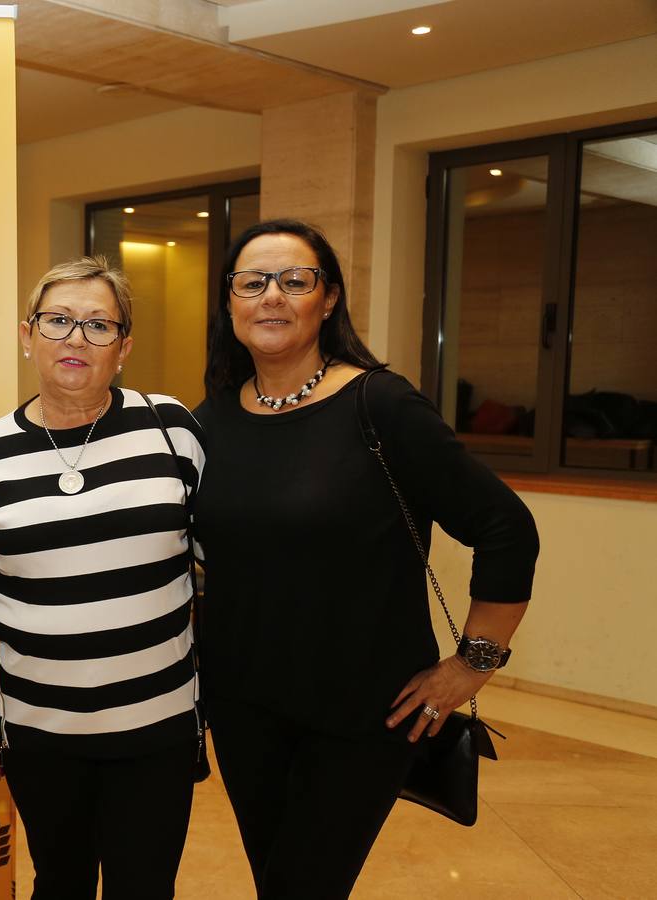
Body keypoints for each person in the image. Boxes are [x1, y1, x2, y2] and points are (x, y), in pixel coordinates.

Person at [193, 219, 539, 898]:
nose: (272, 296)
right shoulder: (208, 423)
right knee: (277, 880)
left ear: (328, 300)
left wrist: (472, 664)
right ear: (229, 303)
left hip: (363, 713)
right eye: (253, 282)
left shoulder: (379, 405)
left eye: (296, 281)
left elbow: (506, 526)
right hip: (243, 709)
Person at [0, 256, 205, 900]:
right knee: (58, 882)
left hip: (158, 725)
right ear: (27, 335)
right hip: (40, 732)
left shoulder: (171, 429)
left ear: (124, 347)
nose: (75, 339)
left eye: (98, 325)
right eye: (58, 321)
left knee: (142, 887)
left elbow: (227, 558)